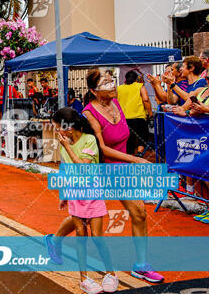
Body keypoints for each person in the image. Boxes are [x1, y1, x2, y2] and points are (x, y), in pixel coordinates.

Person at [45, 69, 164, 284]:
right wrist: (135, 160)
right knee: (84, 216)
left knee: (139, 213)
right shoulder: (90, 113)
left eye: (112, 81)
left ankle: (141, 265)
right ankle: (55, 241)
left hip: (120, 168)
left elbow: (122, 136)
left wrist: (130, 161)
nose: (112, 85)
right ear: (93, 91)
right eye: (106, 83)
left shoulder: (116, 104)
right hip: (98, 169)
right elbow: (101, 148)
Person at [45, 107, 118, 293]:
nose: (57, 132)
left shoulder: (89, 140)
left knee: (97, 237)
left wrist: (67, 147)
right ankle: (84, 278)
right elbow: (65, 169)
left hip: (92, 193)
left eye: (58, 127)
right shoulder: (66, 144)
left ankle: (111, 274)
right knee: (80, 236)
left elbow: (84, 167)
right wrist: (64, 194)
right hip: (75, 194)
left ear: (68, 128)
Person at [117, 71, 153, 156]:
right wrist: (150, 114)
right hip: (139, 117)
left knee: (129, 138)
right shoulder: (140, 86)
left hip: (124, 119)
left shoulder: (119, 88)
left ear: (126, 79)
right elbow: (146, 99)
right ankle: (140, 153)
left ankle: (129, 156)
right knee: (142, 135)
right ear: (136, 79)